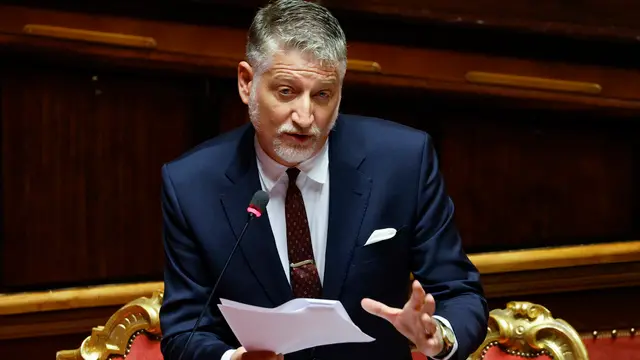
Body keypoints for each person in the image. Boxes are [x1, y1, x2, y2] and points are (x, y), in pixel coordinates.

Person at [159, 1, 488, 359]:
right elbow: (185, 329)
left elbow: (459, 292)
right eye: (286, 91)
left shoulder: (403, 162)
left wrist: (439, 336)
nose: (304, 117)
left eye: (322, 95)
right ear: (246, 83)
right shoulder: (192, 184)